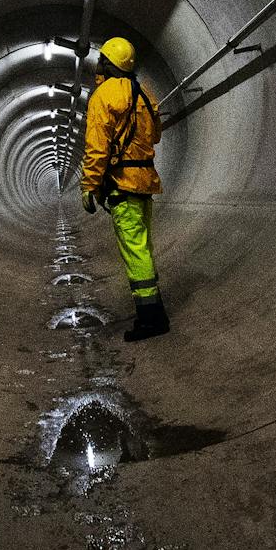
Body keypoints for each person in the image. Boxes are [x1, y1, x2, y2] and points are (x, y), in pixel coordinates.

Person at [79, 36, 169, 342]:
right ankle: (153, 309)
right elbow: (155, 135)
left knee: (135, 250)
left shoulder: (103, 96)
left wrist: (90, 184)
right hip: (145, 182)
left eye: (101, 59)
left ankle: (151, 320)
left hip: (122, 184)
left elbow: (97, 147)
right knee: (143, 247)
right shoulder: (145, 93)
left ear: (107, 63)